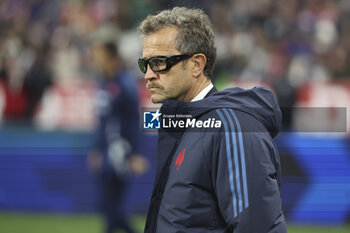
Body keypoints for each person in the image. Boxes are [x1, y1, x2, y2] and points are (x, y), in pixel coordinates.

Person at [137, 7, 287, 233]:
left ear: (197, 64)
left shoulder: (232, 128)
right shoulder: (182, 122)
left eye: (159, 62)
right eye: (145, 64)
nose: (148, 74)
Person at [87, 41, 147, 233]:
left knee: (111, 206)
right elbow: (103, 122)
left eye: (99, 53)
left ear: (111, 56)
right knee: (108, 206)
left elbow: (132, 120)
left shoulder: (125, 83)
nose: (95, 58)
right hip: (106, 153)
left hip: (120, 153)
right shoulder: (103, 83)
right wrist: (98, 149)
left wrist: (136, 153)